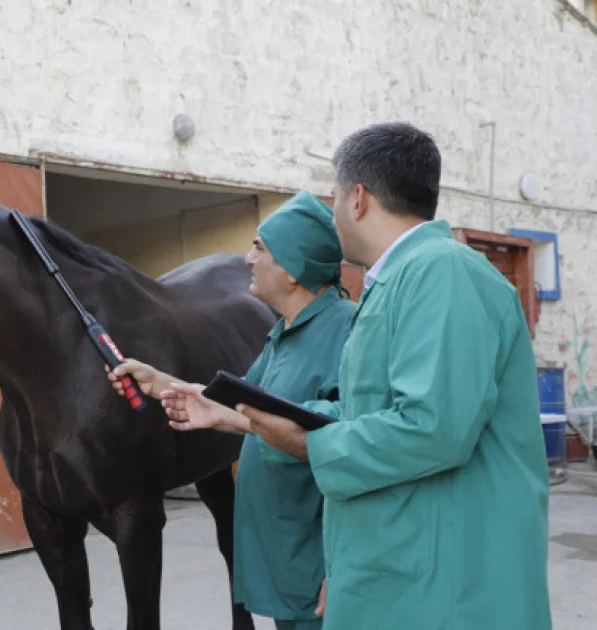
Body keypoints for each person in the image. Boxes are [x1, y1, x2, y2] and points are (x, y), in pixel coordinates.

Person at [162, 122, 553, 630]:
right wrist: (278, 417)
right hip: (405, 567)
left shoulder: (441, 272)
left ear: (358, 199)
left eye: (334, 197)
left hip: (449, 585)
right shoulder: (396, 280)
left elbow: (432, 429)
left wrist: (310, 443)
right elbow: (366, 412)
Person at [108, 191, 356, 630]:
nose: (247, 259)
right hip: (290, 559)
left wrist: (344, 568)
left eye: (259, 248)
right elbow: (249, 406)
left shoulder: (347, 331)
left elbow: (355, 452)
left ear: (293, 270)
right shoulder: (285, 334)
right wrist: (160, 382)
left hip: (323, 568)